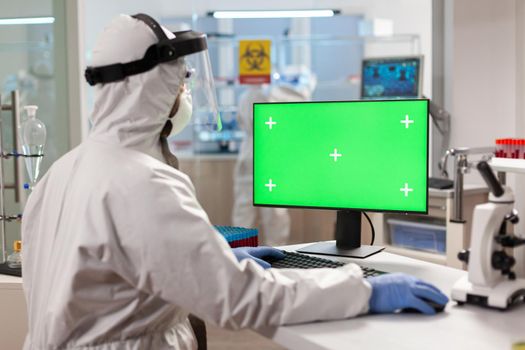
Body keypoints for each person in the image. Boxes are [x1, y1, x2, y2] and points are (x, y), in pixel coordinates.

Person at [22, 14, 448, 350]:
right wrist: (362, 290)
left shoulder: (65, 170)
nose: (183, 94)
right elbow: (241, 299)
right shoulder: (144, 181)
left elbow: (106, 266)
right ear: (152, 86)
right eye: (180, 81)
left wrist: (208, 253)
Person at [233, 66, 316, 246]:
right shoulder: (255, 95)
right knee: (259, 213)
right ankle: (259, 255)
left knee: (265, 213)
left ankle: (248, 255)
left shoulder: (254, 95)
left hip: (263, 155)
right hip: (263, 154)